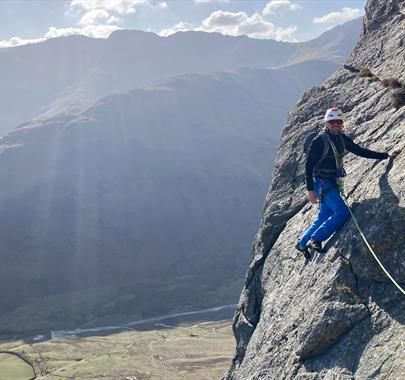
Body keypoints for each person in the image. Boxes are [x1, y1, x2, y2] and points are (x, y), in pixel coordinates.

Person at [296, 107, 401, 257]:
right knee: (342, 212)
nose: (336, 125)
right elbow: (308, 165)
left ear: (342, 123)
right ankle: (316, 239)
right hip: (322, 183)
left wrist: (386, 155)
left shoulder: (341, 138)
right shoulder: (319, 141)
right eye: (332, 122)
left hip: (330, 182)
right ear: (326, 123)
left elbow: (360, 151)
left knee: (325, 215)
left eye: (338, 122)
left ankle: (301, 243)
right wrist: (310, 191)